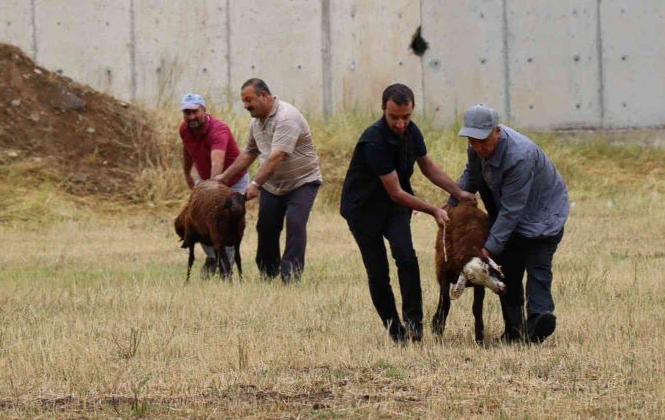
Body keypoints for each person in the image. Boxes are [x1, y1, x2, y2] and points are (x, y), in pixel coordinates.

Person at [340, 83, 477, 344]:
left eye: (406, 117)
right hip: (363, 210)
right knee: (378, 270)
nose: (401, 124)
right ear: (383, 110)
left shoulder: (412, 132)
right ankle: (395, 331)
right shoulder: (373, 141)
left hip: (393, 209)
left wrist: (459, 193)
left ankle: (414, 324)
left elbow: (428, 167)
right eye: (395, 117)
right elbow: (395, 192)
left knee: (406, 257)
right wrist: (433, 210)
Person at [447, 104, 570, 343]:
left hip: (543, 216)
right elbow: (471, 175)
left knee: (538, 268)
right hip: (510, 214)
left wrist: (489, 247)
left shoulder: (519, 156)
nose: (478, 146)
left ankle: (539, 321)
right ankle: (513, 331)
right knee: (508, 272)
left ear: (497, 131)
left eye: (483, 140)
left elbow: (512, 210)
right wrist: (452, 203)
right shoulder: (475, 147)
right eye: (473, 140)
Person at [215, 79, 322, 283]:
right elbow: (249, 153)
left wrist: (255, 184)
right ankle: (268, 272)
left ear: (264, 96)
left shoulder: (286, 117)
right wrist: (223, 178)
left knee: (295, 222)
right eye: (243, 101)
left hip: (302, 181)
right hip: (274, 185)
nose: (245, 106)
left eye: (248, 100)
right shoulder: (256, 123)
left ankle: (290, 275)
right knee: (266, 227)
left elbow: (276, 156)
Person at [179, 93, 248, 275]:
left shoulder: (219, 130)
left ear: (204, 110)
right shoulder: (185, 129)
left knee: (228, 224)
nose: (191, 116)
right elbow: (187, 150)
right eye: (187, 112)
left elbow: (217, 162)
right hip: (207, 181)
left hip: (232, 181)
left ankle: (226, 270)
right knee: (198, 220)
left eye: (195, 111)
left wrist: (209, 192)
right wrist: (187, 173)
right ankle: (212, 258)